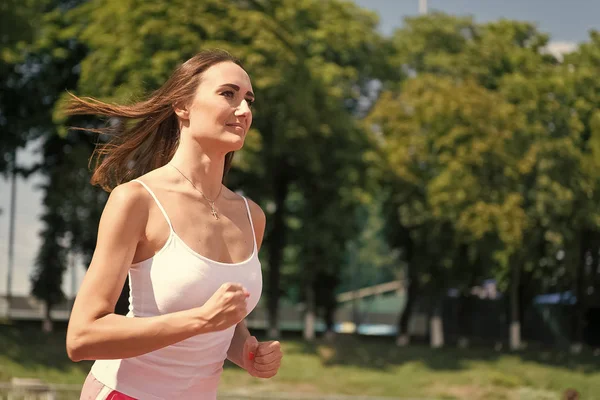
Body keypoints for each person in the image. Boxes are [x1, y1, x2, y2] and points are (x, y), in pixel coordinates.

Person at [66, 49, 283, 400]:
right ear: (182, 106)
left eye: (248, 99)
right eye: (228, 94)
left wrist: (247, 352)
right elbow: (81, 337)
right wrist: (200, 320)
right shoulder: (136, 200)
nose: (244, 111)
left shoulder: (250, 215)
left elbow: (224, 322)